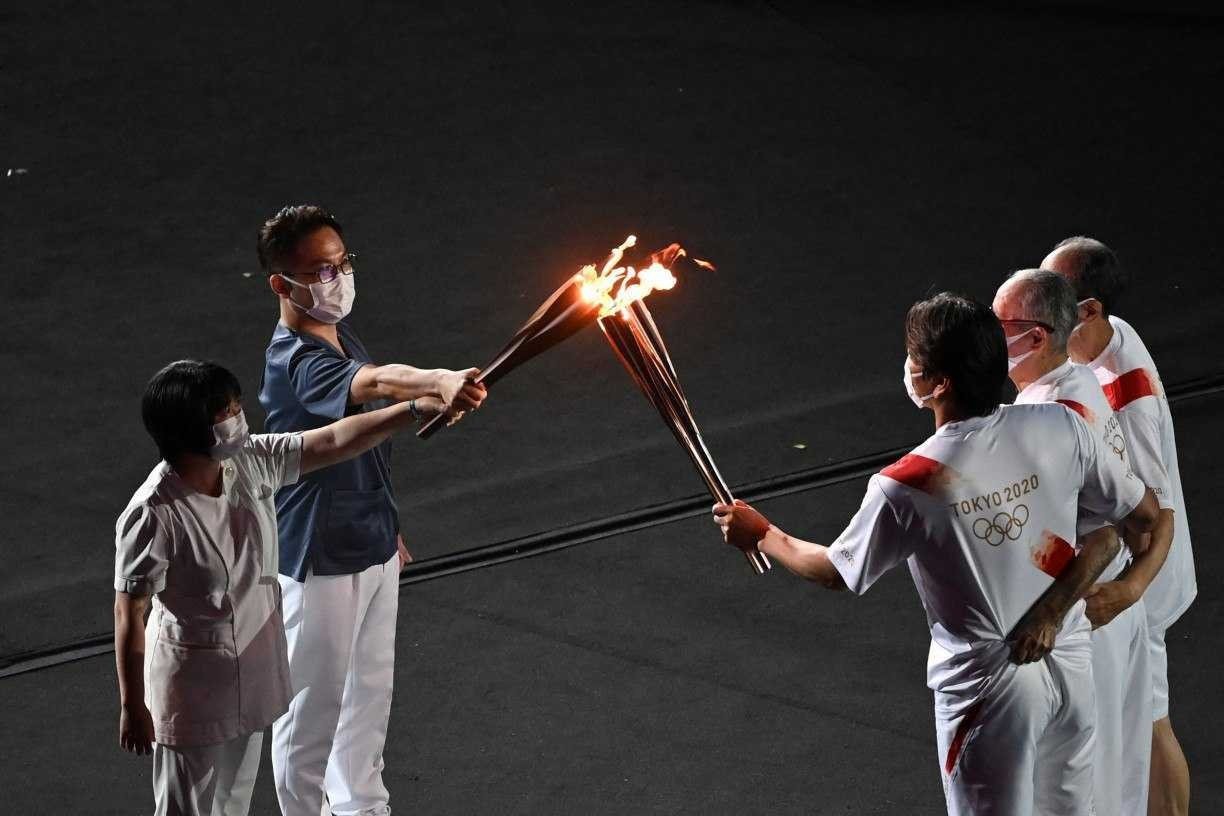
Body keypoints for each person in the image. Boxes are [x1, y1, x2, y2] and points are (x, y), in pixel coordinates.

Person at [713, 293, 1159, 816]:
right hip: (1069, 663)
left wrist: (761, 532)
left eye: (913, 360)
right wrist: (1054, 610)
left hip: (990, 689)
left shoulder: (908, 483)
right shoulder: (1058, 424)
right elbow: (1137, 518)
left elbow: (836, 571)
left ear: (938, 383)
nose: (907, 368)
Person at [114, 360, 450, 816]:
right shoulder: (153, 513)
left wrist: (412, 408)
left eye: (237, 405)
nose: (239, 418)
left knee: (233, 801)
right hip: (190, 686)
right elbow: (129, 614)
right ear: (188, 430)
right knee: (185, 808)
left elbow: (332, 440)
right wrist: (133, 704)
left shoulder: (249, 461)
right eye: (225, 412)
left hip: (252, 667)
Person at [257, 204, 487, 816]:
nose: (336, 279)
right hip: (318, 559)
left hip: (373, 546)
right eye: (320, 271)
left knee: (367, 704)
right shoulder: (295, 360)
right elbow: (377, 384)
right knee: (310, 715)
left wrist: (388, 527)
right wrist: (433, 382)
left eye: (341, 264)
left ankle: (362, 808)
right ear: (282, 284)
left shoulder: (337, 334)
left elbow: (367, 427)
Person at [994, 268, 1169, 816]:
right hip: (1114, 614)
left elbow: (1135, 518)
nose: (990, 337)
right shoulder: (1083, 378)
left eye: (1000, 326)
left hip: (1090, 618)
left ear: (1037, 336)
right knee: (1120, 777)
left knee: (1082, 789)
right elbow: (1144, 514)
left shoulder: (1048, 416)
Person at [1043, 236, 1195, 816]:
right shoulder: (1109, 339)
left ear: (1089, 310)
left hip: (1142, 583)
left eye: (1058, 294)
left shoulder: (1128, 397)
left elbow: (1158, 513)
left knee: (1149, 727)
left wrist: (1132, 589)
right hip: (1135, 576)